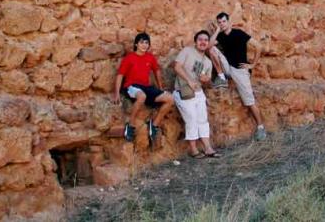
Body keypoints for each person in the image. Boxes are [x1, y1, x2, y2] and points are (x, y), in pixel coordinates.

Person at [210, 12, 266, 141]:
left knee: (249, 101)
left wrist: (252, 65)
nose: (222, 24)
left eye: (224, 21)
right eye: (219, 22)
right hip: (228, 67)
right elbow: (209, 45)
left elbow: (258, 46)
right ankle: (221, 76)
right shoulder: (221, 36)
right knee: (212, 49)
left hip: (240, 70)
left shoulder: (239, 33)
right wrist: (217, 30)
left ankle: (261, 127)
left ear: (229, 21)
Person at [112, 32, 174, 145]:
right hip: (131, 86)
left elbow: (157, 71)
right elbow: (120, 75)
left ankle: (154, 125)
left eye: (146, 43)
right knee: (142, 96)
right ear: (136, 44)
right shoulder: (129, 58)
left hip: (147, 87)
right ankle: (131, 125)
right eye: (141, 42)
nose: (144, 45)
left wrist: (160, 87)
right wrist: (116, 93)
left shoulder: (150, 57)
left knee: (170, 98)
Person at [173, 30, 221, 158]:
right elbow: (177, 67)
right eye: (200, 39)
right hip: (184, 91)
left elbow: (208, 81)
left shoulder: (208, 62)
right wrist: (189, 80)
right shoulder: (187, 51)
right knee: (191, 119)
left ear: (208, 43)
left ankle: (208, 148)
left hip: (199, 93)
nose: (203, 42)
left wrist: (206, 80)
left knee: (203, 120)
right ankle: (193, 150)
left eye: (206, 40)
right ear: (195, 41)